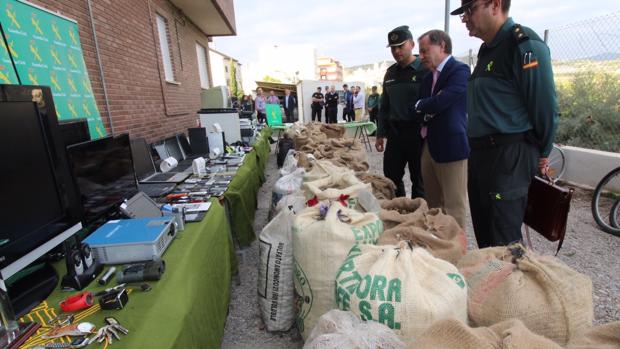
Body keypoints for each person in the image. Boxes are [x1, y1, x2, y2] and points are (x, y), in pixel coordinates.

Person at [451, 0, 558, 247]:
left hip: (508, 156)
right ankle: (493, 282)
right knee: (486, 236)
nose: (465, 18)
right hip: (481, 155)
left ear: (495, 5)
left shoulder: (523, 45)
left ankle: (511, 285)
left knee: (504, 241)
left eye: (469, 10)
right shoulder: (487, 50)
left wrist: (543, 152)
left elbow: (544, 107)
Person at [411, 29, 470, 229]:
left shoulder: (460, 70)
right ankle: (438, 246)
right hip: (429, 144)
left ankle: (457, 251)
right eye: (420, 52)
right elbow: (422, 108)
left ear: (442, 46)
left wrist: (426, 104)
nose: (422, 56)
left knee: (454, 206)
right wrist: (430, 105)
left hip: (452, 145)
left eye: (425, 50)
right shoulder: (428, 78)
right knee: (433, 204)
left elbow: (441, 101)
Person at [376, 25, 429, 198]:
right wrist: (380, 134)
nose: (397, 51)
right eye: (393, 48)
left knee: (420, 181)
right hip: (396, 134)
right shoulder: (390, 73)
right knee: (391, 178)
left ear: (412, 44)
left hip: (418, 134)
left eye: (401, 46)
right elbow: (385, 106)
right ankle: (398, 213)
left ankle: (418, 219)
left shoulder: (425, 69)